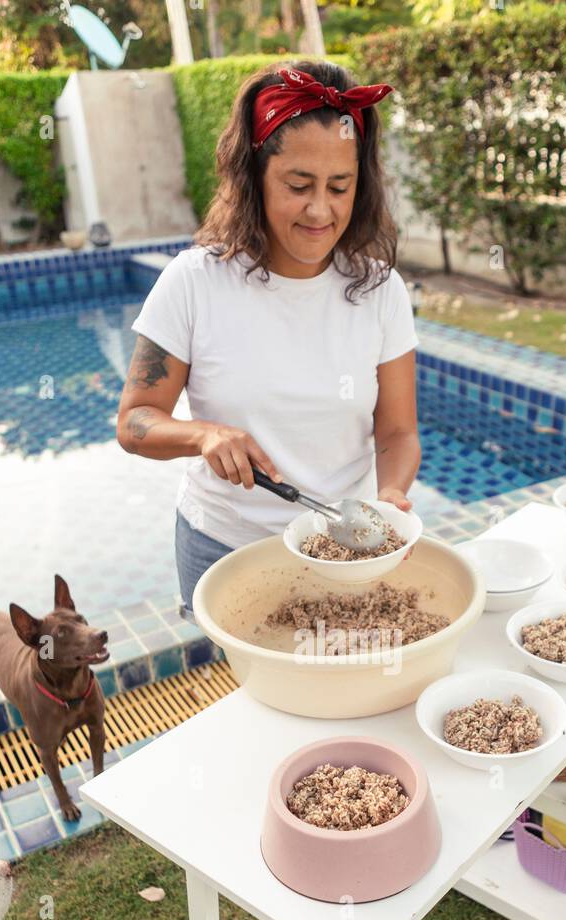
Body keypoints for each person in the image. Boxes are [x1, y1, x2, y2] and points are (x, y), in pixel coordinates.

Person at [117, 60, 421, 628]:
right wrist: (204, 434)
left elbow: (398, 432)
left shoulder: (380, 290)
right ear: (254, 176)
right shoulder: (193, 281)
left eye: (340, 186)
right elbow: (135, 422)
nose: (320, 210)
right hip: (223, 546)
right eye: (298, 185)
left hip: (344, 549)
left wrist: (392, 497)